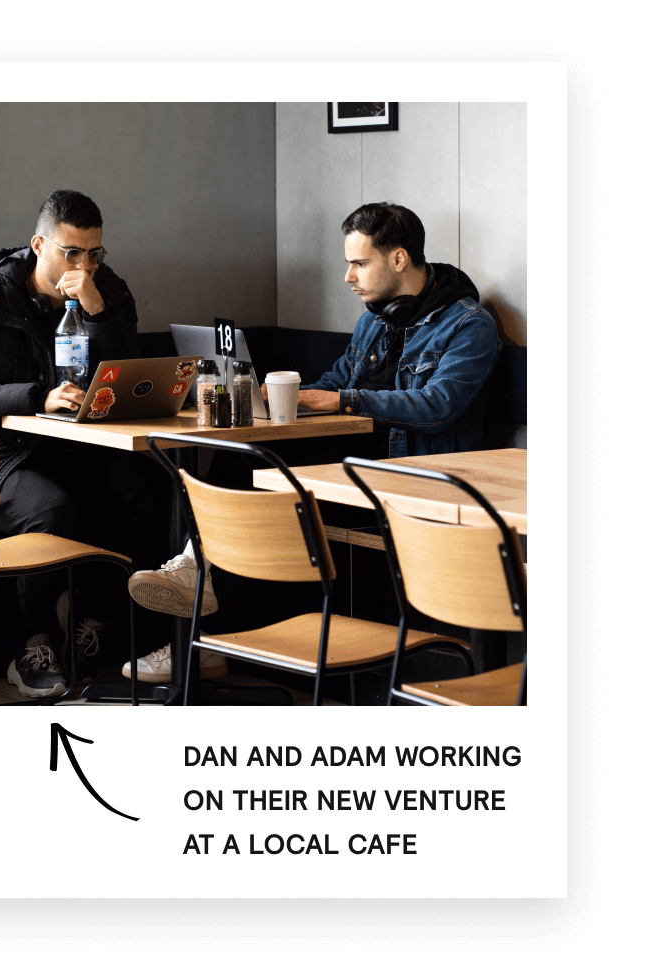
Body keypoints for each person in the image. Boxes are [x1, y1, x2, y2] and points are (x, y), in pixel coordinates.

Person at [124, 201, 502, 683]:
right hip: (357, 459)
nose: (349, 277)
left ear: (400, 259)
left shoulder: (469, 325)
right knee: (242, 466)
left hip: (411, 471)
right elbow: (337, 379)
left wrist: (343, 401)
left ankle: (202, 620)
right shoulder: (376, 318)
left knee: (270, 497)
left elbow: (438, 405)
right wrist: (283, 396)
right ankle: (199, 589)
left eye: (359, 263)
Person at [0, 189, 164, 699]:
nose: (83, 265)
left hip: (77, 447)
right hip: (1, 452)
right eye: (71, 252)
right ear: (39, 245)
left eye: (94, 254)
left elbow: (130, 376)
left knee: (149, 494)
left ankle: (95, 624)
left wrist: (98, 308)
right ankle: (31, 645)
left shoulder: (107, 291)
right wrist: (38, 397)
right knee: (53, 510)